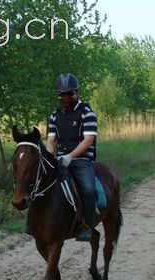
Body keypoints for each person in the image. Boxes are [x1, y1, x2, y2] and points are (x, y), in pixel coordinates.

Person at [46, 73, 98, 242]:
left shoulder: (87, 113)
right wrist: (49, 158)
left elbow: (88, 140)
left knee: (89, 190)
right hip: (60, 159)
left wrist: (70, 156)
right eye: (62, 94)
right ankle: (35, 222)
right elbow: (51, 140)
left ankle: (86, 226)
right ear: (57, 95)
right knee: (39, 184)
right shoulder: (54, 116)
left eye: (70, 93)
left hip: (82, 160)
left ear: (77, 93)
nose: (66, 97)